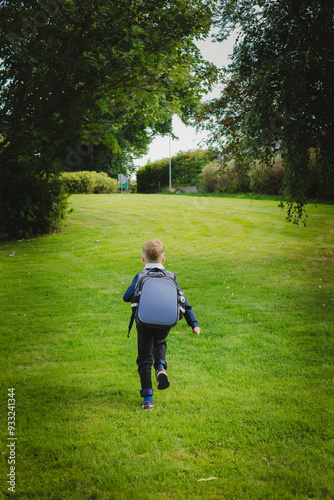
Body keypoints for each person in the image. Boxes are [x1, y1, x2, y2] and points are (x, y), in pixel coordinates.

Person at [123, 239, 200, 409]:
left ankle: (148, 399)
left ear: (143, 260)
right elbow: (183, 301)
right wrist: (193, 323)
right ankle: (160, 366)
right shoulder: (170, 276)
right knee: (160, 341)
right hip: (165, 323)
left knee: (144, 359)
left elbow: (126, 297)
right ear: (163, 260)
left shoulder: (141, 276)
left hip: (144, 323)